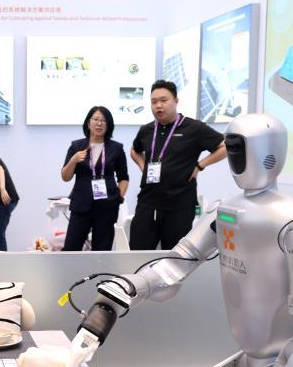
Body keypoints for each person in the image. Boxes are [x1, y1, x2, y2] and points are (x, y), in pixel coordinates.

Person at [129, 79, 226, 251]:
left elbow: (224, 147)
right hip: (148, 203)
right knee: (138, 254)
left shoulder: (194, 128)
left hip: (179, 206)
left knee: (174, 258)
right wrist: (144, 167)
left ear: (176, 101)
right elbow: (134, 151)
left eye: (163, 100)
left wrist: (200, 166)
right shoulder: (147, 130)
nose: (158, 106)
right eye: (154, 102)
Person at [60, 106, 129, 251]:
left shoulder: (116, 148)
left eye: (104, 121)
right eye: (96, 119)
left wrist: (118, 197)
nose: (99, 124)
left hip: (107, 206)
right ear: (88, 123)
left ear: (108, 125)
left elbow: (123, 178)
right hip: (81, 205)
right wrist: (73, 160)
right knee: (71, 248)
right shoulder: (76, 146)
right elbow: (65, 177)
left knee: (102, 250)